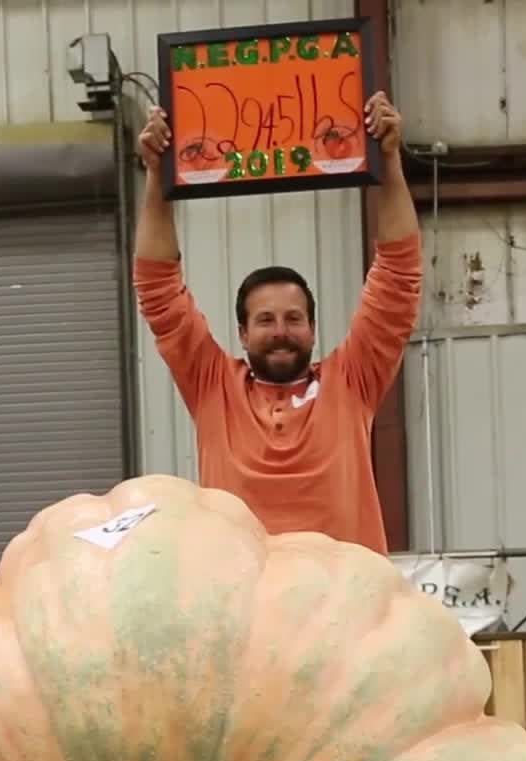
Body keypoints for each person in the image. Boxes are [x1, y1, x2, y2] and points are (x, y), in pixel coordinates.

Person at [132, 93, 421, 554]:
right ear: (243, 334)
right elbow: (158, 289)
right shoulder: (212, 386)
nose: (281, 330)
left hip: (344, 610)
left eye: (293, 318)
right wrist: (155, 176)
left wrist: (389, 160)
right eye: (265, 320)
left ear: (312, 329)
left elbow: (398, 276)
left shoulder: (351, 382)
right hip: (245, 611)